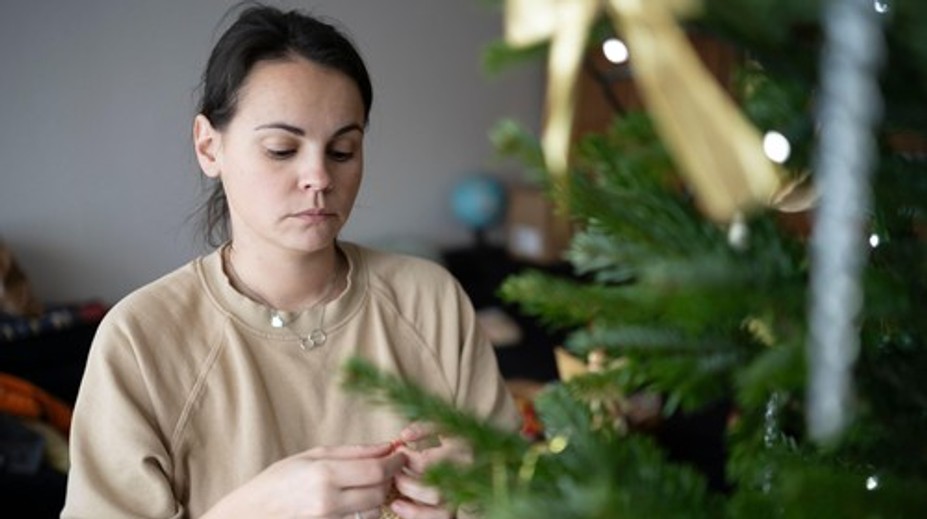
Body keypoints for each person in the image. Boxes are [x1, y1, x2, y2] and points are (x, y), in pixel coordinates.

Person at [61, 4, 520, 518]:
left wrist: (468, 501)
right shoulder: (140, 340)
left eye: (343, 151)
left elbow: (522, 494)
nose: (319, 177)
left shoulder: (430, 299)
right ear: (209, 147)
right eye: (282, 149)